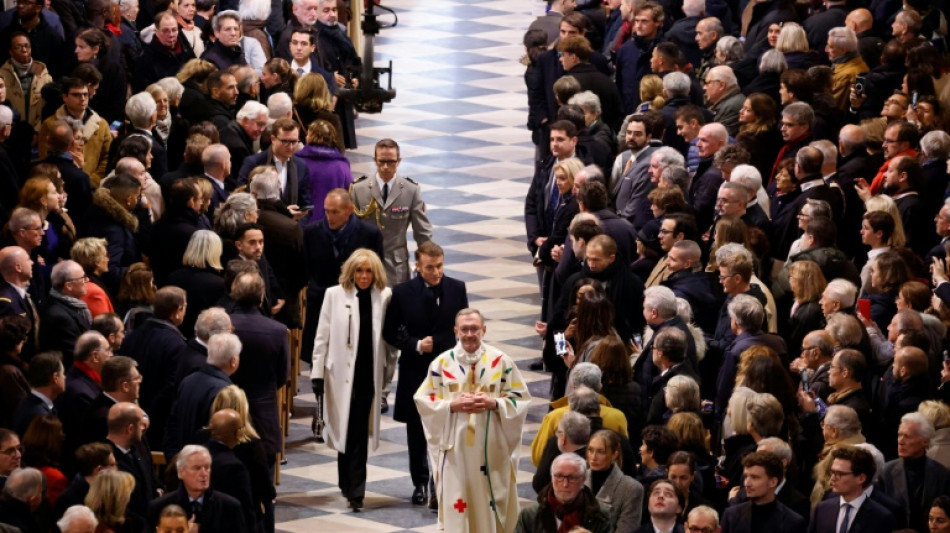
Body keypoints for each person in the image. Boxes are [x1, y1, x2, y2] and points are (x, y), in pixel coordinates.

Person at [414, 308, 531, 531]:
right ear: (456, 331)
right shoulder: (441, 364)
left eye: (474, 329)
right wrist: (451, 405)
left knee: (489, 498)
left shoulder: (501, 362)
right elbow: (423, 400)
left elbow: (521, 398)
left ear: (483, 330)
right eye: (464, 329)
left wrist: (494, 403)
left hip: (492, 448)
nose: (469, 334)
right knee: (459, 502)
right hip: (456, 450)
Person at [382, 241, 468, 507]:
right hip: (415, 369)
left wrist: (442, 343)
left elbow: (462, 326)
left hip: (448, 370)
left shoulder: (456, 288)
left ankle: (439, 481)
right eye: (430, 267)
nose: (437, 272)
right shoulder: (402, 292)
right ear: (417, 267)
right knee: (416, 431)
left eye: (440, 265)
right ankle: (419, 482)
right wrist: (416, 344)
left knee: (446, 428)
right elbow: (390, 330)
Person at [310, 249, 391, 511]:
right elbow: (321, 336)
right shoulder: (334, 295)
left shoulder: (384, 297)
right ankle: (348, 482)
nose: (364, 276)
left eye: (368, 271)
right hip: (340, 375)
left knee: (357, 430)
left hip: (368, 374)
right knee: (344, 428)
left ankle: (357, 489)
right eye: (359, 271)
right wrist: (317, 373)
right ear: (351, 272)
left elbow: (388, 343)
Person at [350, 138, 433, 286]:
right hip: (366, 266)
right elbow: (350, 231)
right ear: (374, 160)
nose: (386, 167)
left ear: (399, 161)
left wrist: (427, 264)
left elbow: (422, 233)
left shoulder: (410, 190)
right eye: (381, 161)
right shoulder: (359, 189)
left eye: (391, 162)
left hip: (397, 267)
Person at [164, 333, 241, 457]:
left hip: (185, 459)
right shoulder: (226, 392)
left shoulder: (187, 380)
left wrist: (173, 457)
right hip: (208, 464)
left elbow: (172, 423)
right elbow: (224, 436)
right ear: (233, 361)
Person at [146, 445, 247, 532]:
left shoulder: (230, 507)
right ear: (181, 472)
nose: (204, 474)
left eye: (207, 467)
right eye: (196, 468)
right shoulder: (159, 507)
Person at [878, 413, 950, 531]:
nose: (901, 441)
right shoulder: (886, 472)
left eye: (907, 436)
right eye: (899, 435)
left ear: (925, 441)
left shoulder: (941, 474)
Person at [808, 446, 897, 533]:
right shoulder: (822, 509)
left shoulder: (881, 516)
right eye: (832, 472)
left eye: (839, 473)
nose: (832, 478)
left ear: (861, 478)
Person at [515, 453, 613, 533]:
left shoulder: (600, 516)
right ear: (552, 478)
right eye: (559, 476)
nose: (565, 484)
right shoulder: (530, 515)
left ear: (583, 479)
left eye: (572, 478)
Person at [719, 451, 806, 532]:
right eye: (746, 477)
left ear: (773, 482)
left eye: (754, 477)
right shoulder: (731, 515)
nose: (747, 483)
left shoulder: (793, 522)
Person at [585, 429, 643, 530]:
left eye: (601, 452)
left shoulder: (631, 488)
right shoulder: (578, 480)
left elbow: (627, 528)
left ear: (614, 455)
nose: (593, 457)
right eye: (590, 450)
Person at [295, 119, 351, 221]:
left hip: (303, 222)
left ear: (309, 137)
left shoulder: (296, 162)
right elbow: (349, 194)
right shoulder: (342, 165)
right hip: (332, 222)